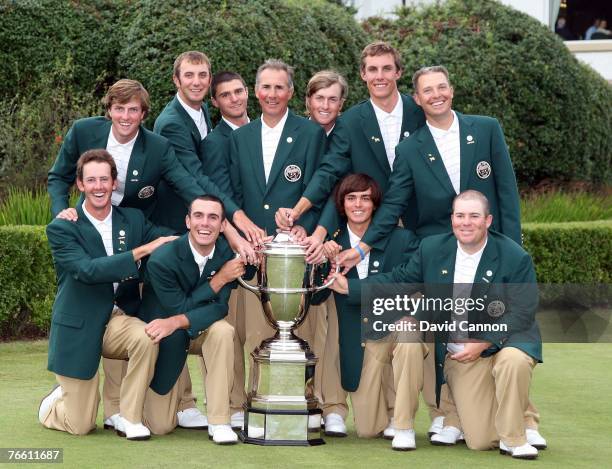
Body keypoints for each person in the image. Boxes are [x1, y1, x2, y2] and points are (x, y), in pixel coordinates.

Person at [332, 190, 545, 459]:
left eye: (474, 216)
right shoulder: (432, 249)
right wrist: (351, 287)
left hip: (504, 342)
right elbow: (400, 279)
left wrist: (485, 342)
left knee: (512, 362)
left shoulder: (514, 256)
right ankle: (476, 417)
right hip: (463, 354)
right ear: (452, 219)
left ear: (488, 221)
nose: (466, 222)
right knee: (480, 441)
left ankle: (516, 436)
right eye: (460, 216)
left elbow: (523, 310)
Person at [39, 149, 177, 440]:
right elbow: (88, 270)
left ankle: (129, 416)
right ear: (80, 184)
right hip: (79, 324)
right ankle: (52, 404)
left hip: (118, 319)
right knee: (80, 425)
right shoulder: (63, 227)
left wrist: (211, 232)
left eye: (105, 179)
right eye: (91, 180)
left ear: (115, 183)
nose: (98, 186)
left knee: (146, 336)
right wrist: (142, 251)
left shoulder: (134, 219)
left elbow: (170, 241)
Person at [275, 41, 426, 246]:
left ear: (398, 73)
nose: (379, 76)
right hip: (369, 229)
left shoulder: (421, 113)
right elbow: (329, 172)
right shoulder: (349, 123)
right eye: (372, 69)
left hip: (421, 225)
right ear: (363, 74)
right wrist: (298, 210)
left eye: (387, 68)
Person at [315, 174, 423, 450]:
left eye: (365, 197)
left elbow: (409, 281)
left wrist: (353, 289)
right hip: (352, 333)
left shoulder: (402, 239)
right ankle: (333, 407)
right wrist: (327, 264)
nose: (358, 204)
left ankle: (403, 423)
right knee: (367, 429)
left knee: (409, 336)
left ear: (376, 203)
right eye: (351, 198)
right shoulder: (330, 238)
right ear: (342, 204)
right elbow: (316, 297)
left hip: (388, 328)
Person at [228, 59, 327, 360]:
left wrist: (304, 224)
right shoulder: (240, 137)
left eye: (279, 87)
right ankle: (238, 404)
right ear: (256, 91)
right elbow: (234, 193)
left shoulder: (311, 134)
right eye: (266, 87)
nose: (272, 94)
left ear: (291, 91)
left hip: (294, 259)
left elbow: (320, 190)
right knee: (248, 337)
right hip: (253, 255)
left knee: (298, 341)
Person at [138, 195, 245, 444]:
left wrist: (176, 320)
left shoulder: (226, 254)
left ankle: (220, 421)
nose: (204, 223)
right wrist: (220, 279)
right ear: (187, 221)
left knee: (223, 332)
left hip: (197, 327)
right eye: (198, 216)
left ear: (222, 226)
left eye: (213, 217)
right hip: (165, 337)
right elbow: (179, 307)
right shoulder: (163, 259)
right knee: (160, 426)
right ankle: (173, 403)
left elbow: (219, 308)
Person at [152, 51, 263, 246]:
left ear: (209, 79)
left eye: (202, 75)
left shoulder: (201, 107)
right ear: (176, 80)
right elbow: (195, 176)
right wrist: (234, 217)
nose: (196, 82)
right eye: (189, 75)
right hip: (178, 221)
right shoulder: (171, 124)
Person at [298, 70, 351, 435]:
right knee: (306, 330)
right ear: (308, 101)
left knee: (336, 332)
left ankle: (335, 406)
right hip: (303, 244)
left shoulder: (347, 136)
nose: (325, 105)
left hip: (338, 244)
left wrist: (326, 235)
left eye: (333, 99)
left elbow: (340, 189)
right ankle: (308, 400)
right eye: (319, 98)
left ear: (341, 103)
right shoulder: (299, 135)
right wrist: (301, 229)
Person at [199, 71, 251, 429]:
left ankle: (264, 400)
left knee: (264, 333)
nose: (235, 99)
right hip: (233, 246)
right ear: (214, 102)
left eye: (239, 91)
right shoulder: (215, 142)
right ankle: (232, 404)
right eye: (225, 95)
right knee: (231, 329)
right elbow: (218, 193)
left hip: (267, 244)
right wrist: (239, 231)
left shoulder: (266, 130)